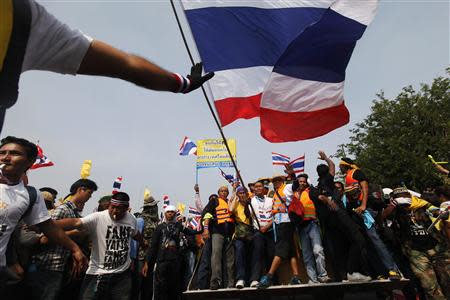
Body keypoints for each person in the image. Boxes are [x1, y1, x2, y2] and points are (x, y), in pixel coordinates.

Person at [0, 0, 214, 132]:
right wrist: (183, 84)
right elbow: (127, 65)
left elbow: (127, 65)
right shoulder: (25, 17)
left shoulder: (24, 17)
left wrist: (184, 83)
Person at [0, 136, 86, 289]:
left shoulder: (30, 195)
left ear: (29, 162)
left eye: (14, 153)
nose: (6, 157)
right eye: (2, 152)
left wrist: (74, 248)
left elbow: (48, 227)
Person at [55, 192, 141, 300]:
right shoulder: (98, 217)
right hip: (97, 274)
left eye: (119, 208)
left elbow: (136, 234)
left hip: (122, 276)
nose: (115, 211)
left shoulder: (131, 219)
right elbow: (76, 222)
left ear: (126, 208)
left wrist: (144, 243)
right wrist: (48, 224)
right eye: (112, 207)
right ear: (109, 205)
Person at [27, 178, 97, 299]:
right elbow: (45, 238)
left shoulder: (75, 213)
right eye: (89, 193)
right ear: (81, 190)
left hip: (60, 266)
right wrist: (74, 232)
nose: (90, 197)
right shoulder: (63, 210)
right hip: (49, 265)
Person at [383, 187, 450, 300]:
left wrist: (441, 213)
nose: (403, 199)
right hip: (416, 253)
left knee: (447, 280)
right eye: (400, 197)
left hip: (437, 247)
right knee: (429, 285)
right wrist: (393, 205)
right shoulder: (394, 210)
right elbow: (382, 218)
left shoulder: (422, 204)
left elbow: (435, 210)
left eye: (405, 196)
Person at [141, 205, 199, 300]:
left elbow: (190, 232)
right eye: (168, 212)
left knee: (174, 287)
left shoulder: (179, 226)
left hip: (175, 262)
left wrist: (202, 230)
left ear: (175, 214)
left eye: (172, 212)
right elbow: (153, 246)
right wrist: (147, 262)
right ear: (165, 214)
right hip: (162, 262)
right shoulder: (159, 228)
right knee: (161, 287)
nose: (170, 214)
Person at [344, 184, 401, 280]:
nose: (352, 195)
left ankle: (393, 269)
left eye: (354, 192)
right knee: (368, 247)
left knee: (377, 242)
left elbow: (379, 210)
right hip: (361, 226)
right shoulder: (350, 202)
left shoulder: (368, 198)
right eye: (349, 194)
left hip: (370, 224)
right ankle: (382, 271)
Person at [257, 174, 302, 288]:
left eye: (277, 180)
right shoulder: (275, 193)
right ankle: (296, 276)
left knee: (280, 250)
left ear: (282, 181)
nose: (275, 182)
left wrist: (292, 174)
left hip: (285, 222)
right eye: (274, 181)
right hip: (280, 223)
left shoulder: (286, 188)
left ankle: (269, 276)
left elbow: (295, 185)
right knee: (291, 250)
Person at [285, 173, 330, 284]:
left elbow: (318, 197)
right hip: (301, 227)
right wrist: (292, 174)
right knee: (307, 254)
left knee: (318, 250)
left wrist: (326, 200)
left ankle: (323, 275)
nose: (302, 183)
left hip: (312, 224)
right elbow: (294, 183)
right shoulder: (294, 193)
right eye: (300, 181)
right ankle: (313, 279)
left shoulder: (311, 191)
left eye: (304, 181)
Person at [202, 186, 235, 290]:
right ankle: (215, 281)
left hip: (229, 234)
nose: (224, 192)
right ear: (219, 192)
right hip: (217, 232)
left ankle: (231, 282)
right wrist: (206, 229)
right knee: (216, 256)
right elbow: (207, 215)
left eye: (226, 191)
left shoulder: (230, 202)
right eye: (222, 191)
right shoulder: (214, 201)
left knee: (230, 259)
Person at [249, 181, 274, 287]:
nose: (258, 188)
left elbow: (275, 215)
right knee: (258, 254)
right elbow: (249, 215)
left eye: (260, 186)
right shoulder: (251, 201)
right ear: (253, 189)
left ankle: (271, 279)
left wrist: (267, 226)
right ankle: (255, 279)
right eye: (256, 187)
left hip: (269, 230)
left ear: (264, 188)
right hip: (258, 231)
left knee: (271, 254)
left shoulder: (270, 200)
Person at [229, 185, 253, 288]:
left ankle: (251, 279)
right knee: (239, 254)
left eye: (244, 193)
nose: (242, 195)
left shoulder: (251, 203)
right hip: (239, 235)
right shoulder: (236, 204)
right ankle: (240, 278)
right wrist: (234, 191)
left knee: (250, 256)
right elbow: (230, 209)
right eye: (240, 193)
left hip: (251, 234)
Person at [139, 194, 160, 300]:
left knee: (148, 287)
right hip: (141, 258)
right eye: (154, 206)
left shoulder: (155, 222)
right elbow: (135, 239)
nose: (156, 208)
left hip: (151, 258)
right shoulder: (140, 220)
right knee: (139, 286)